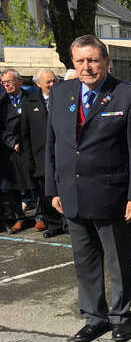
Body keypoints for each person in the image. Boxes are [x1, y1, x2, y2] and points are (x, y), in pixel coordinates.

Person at [45, 35, 131, 342]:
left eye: (93, 60)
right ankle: (94, 317)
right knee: (85, 260)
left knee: (118, 260)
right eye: (80, 61)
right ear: (73, 63)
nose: (87, 67)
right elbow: (53, 145)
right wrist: (53, 190)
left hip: (112, 196)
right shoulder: (60, 93)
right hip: (72, 194)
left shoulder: (127, 96)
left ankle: (120, 316)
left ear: (106, 61)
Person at [20, 69, 67, 237]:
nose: (52, 84)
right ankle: (54, 224)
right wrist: (29, 161)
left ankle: (67, 222)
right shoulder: (29, 103)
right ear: (38, 84)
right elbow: (24, 134)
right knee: (46, 193)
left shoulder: (65, 100)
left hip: (63, 155)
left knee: (65, 190)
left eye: (54, 81)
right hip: (41, 158)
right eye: (48, 82)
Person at [0, 69, 30, 233]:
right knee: (12, 187)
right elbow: (1, 129)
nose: (7, 85)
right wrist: (12, 142)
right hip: (10, 150)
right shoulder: (2, 104)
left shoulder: (31, 99)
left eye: (10, 81)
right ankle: (18, 217)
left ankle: (41, 217)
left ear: (19, 81)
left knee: (35, 183)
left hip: (30, 146)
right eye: (4, 83)